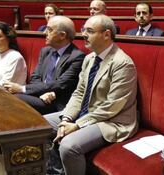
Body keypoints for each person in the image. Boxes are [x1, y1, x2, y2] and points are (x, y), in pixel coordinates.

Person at [44, 14, 138, 175]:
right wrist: (66, 119)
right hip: (87, 113)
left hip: (112, 121)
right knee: (41, 125)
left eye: (90, 31)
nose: (83, 34)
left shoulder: (122, 63)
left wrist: (77, 125)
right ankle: (58, 171)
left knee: (68, 145)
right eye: (83, 30)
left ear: (106, 34)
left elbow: (111, 106)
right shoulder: (89, 58)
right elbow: (79, 92)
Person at [3, 16, 85, 115]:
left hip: (56, 101)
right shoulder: (46, 51)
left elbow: (61, 85)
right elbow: (35, 77)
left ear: (62, 35)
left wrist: (22, 89)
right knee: (7, 97)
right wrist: (41, 93)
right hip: (40, 96)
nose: (44, 32)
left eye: (49, 30)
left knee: (16, 97)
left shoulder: (77, 57)